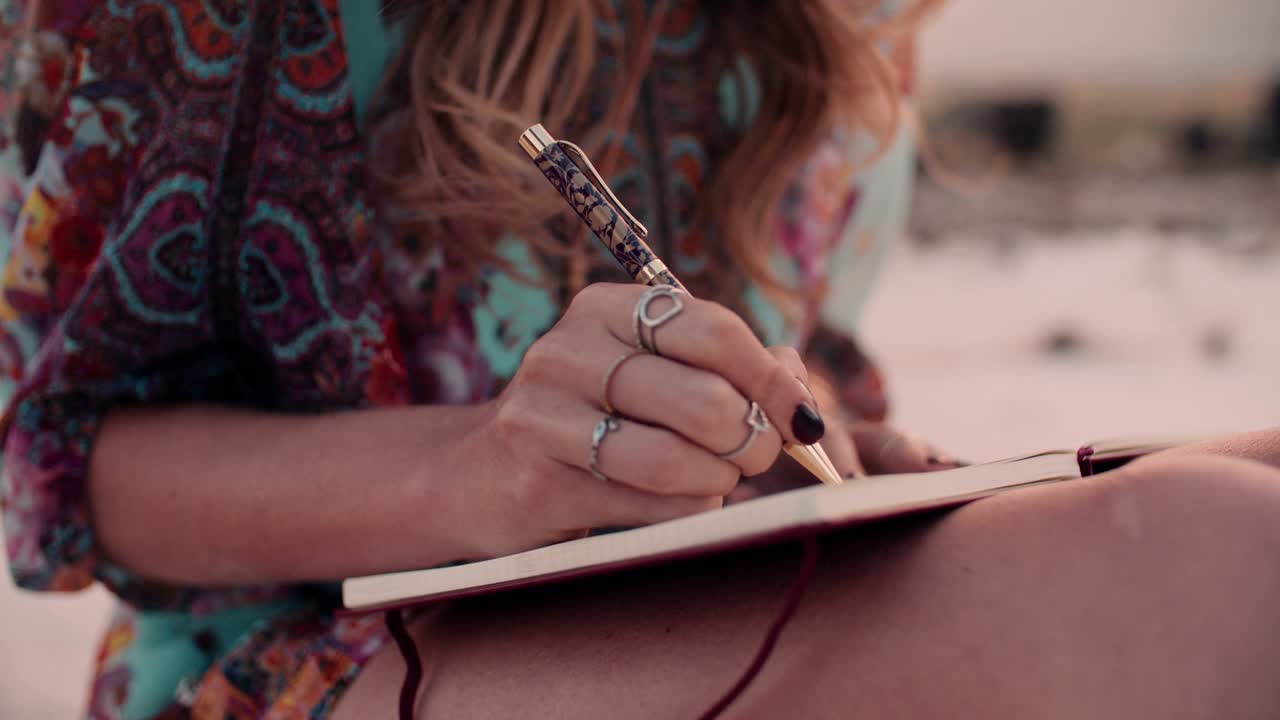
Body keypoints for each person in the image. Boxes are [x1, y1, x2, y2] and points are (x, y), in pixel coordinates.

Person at [1, 2, 1278, 718]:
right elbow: (65, 465)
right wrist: (477, 471)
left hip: (718, 595)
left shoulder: (853, 22)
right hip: (300, 659)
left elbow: (807, 347)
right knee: (1205, 562)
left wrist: (803, 434)